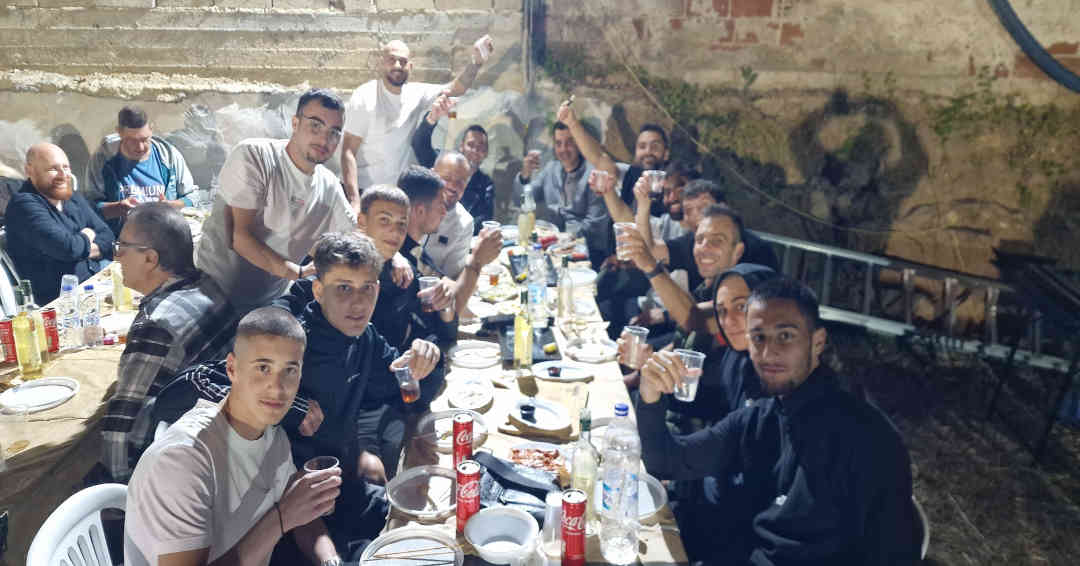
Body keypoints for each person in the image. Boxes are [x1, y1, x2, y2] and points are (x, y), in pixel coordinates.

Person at [635, 278, 921, 565]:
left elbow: (895, 554)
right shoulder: (762, 416)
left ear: (817, 342)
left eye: (785, 336)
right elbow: (666, 460)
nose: (768, 352)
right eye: (758, 337)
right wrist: (650, 394)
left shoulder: (866, 438)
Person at [124, 307, 346, 566]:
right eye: (263, 368)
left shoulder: (273, 436)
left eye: (289, 370)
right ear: (232, 368)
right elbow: (288, 512)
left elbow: (303, 517)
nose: (277, 387)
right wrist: (281, 517)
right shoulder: (182, 460)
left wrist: (332, 561)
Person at [288, 232, 441, 555]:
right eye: (344, 288)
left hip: (347, 483)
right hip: (295, 513)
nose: (358, 303)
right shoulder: (290, 347)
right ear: (318, 290)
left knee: (428, 528)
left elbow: (405, 387)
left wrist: (426, 359)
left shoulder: (365, 336)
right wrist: (290, 405)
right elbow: (221, 392)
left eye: (367, 288)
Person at [98, 203, 239, 484]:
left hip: (176, 462)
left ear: (150, 258)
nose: (117, 256)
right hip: (220, 434)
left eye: (122, 246)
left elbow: (123, 422)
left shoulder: (157, 324)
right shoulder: (207, 283)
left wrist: (116, 486)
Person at [195, 88, 357, 313]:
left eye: (334, 132)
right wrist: (297, 272)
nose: (324, 139)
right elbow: (239, 237)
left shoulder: (328, 185)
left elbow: (354, 236)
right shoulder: (255, 156)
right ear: (295, 123)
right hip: (210, 295)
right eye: (315, 125)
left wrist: (394, 256)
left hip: (267, 303)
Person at [338, 36, 494, 213]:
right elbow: (348, 152)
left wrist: (476, 62)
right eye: (391, 60)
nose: (397, 65)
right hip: (363, 194)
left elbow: (456, 88)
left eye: (403, 61)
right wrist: (354, 200)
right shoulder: (364, 96)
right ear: (381, 63)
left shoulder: (416, 94)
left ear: (410, 67)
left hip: (397, 196)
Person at [5, 143, 114, 304]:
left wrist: (80, 249)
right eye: (53, 169)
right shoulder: (24, 206)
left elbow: (108, 236)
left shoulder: (70, 195)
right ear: (29, 171)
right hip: (61, 302)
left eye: (66, 167)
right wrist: (87, 234)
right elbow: (68, 249)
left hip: (96, 281)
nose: (63, 175)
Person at [85, 106, 204, 236]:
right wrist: (118, 208)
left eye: (145, 139)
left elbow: (192, 196)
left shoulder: (168, 156)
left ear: (151, 129)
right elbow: (88, 208)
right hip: (121, 237)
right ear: (119, 132)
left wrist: (170, 206)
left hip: (164, 236)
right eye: (132, 141)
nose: (140, 147)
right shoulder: (103, 160)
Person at [513, 109, 611, 266]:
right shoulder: (551, 169)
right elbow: (522, 201)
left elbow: (595, 225)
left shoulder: (593, 174)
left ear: (579, 143)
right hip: (553, 248)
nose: (563, 149)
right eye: (558, 144)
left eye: (569, 142)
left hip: (585, 251)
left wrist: (565, 236)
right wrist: (525, 174)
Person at [411, 96, 494, 233]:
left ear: (486, 153)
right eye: (471, 145)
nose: (475, 150)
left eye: (481, 147)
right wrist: (432, 118)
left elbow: (484, 218)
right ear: (461, 146)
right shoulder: (442, 162)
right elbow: (419, 144)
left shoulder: (485, 184)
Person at [417, 152, 475, 278]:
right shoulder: (410, 201)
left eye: (460, 182)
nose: (453, 186)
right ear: (432, 174)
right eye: (447, 178)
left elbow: (450, 278)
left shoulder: (465, 223)